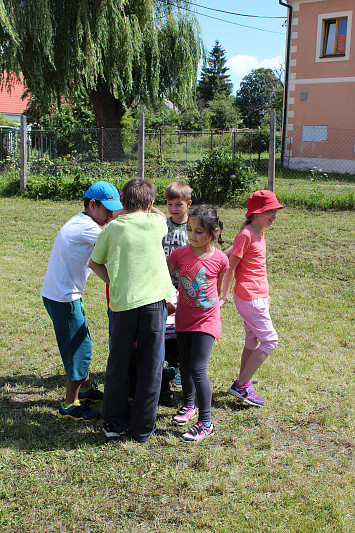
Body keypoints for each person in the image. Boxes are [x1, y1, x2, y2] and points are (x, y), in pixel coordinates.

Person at [89, 178, 175, 443]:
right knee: (151, 365)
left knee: (118, 363)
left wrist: (112, 281)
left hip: (122, 304)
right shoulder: (157, 222)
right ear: (150, 204)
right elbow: (161, 214)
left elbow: (94, 263)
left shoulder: (112, 229)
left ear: (122, 204)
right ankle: (143, 428)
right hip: (153, 306)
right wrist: (151, 207)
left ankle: (114, 422)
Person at [41, 181, 123, 421]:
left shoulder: (82, 220)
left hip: (63, 294)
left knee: (80, 338)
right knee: (80, 349)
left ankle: (86, 390)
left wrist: (111, 282)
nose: (111, 216)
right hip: (63, 298)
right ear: (92, 204)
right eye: (108, 210)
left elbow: (92, 262)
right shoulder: (90, 229)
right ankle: (69, 405)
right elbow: (116, 242)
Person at [167, 205, 229, 442]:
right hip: (183, 319)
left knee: (198, 369)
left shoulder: (221, 259)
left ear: (213, 232)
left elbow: (223, 288)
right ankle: (189, 405)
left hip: (207, 321)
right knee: (185, 364)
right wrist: (167, 299)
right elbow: (164, 275)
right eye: (190, 230)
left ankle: (205, 422)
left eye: (199, 232)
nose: (192, 236)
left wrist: (220, 302)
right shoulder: (179, 254)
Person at [220, 190, 284, 407]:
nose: (274, 215)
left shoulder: (258, 230)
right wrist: (225, 296)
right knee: (270, 340)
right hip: (250, 297)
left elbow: (231, 251)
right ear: (256, 213)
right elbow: (230, 267)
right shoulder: (247, 234)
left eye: (275, 211)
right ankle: (242, 385)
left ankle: (241, 381)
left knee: (252, 339)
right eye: (270, 211)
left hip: (258, 295)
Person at [160, 181, 193, 403]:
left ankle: (181, 365)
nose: (173, 208)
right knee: (168, 326)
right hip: (165, 284)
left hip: (186, 285)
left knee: (184, 326)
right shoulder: (162, 225)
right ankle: (171, 363)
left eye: (178, 204)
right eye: (170, 204)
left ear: (188, 204)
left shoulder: (193, 227)